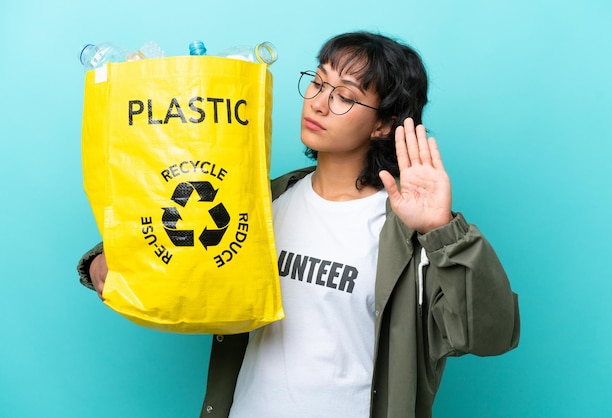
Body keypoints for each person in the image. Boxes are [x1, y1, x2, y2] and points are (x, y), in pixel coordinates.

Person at [77, 31, 520, 418]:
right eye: (318, 81)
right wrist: (100, 261)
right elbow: (173, 249)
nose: (320, 102)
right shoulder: (265, 199)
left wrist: (441, 230)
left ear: (384, 123)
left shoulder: (409, 228)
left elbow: (490, 335)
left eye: (344, 95)